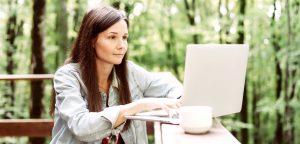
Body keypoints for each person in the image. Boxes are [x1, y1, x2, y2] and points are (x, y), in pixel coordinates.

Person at [50, 4, 183, 144]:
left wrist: (181, 99)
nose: (122, 45)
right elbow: (81, 127)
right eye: (112, 37)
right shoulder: (67, 77)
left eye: (124, 37)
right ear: (92, 40)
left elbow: (169, 85)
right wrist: (139, 105)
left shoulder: (130, 72)